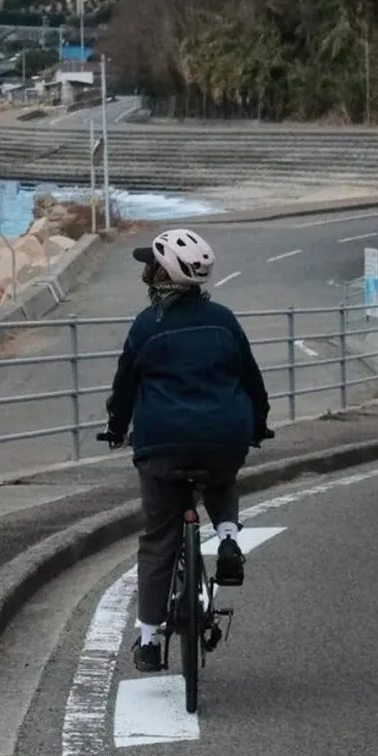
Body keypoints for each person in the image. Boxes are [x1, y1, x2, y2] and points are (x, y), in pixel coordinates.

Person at [103, 229, 271, 673]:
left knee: (159, 538)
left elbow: (124, 389)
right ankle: (230, 537)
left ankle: (150, 641)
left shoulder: (146, 326)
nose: (145, 271)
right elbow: (252, 381)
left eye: (149, 265)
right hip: (223, 438)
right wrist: (259, 425)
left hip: (161, 446)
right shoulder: (224, 320)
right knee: (220, 474)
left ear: (160, 273)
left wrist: (115, 428)